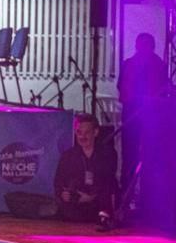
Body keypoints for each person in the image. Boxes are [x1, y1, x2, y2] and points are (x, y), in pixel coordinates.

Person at [117, 32, 169, 192]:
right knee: (130, 156)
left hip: (151, 118)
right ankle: (127, 194)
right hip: (132, 116)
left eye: (147, 45)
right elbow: (121, 88)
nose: (144, 48)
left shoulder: (159, 66)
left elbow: (162, 92)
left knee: (149, 157)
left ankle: (145, 196)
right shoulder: (129, 64)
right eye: (142, 45)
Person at [53, 114, 117, 224]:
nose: (82, 137)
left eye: (87, 133)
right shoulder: (68, 156)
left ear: (95, 132)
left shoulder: (107, 154)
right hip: (74, 209)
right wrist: (63, 193)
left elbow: (109, 181)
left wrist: (91, 196)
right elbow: (58, 181)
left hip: (99, 207)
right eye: (79, 132)